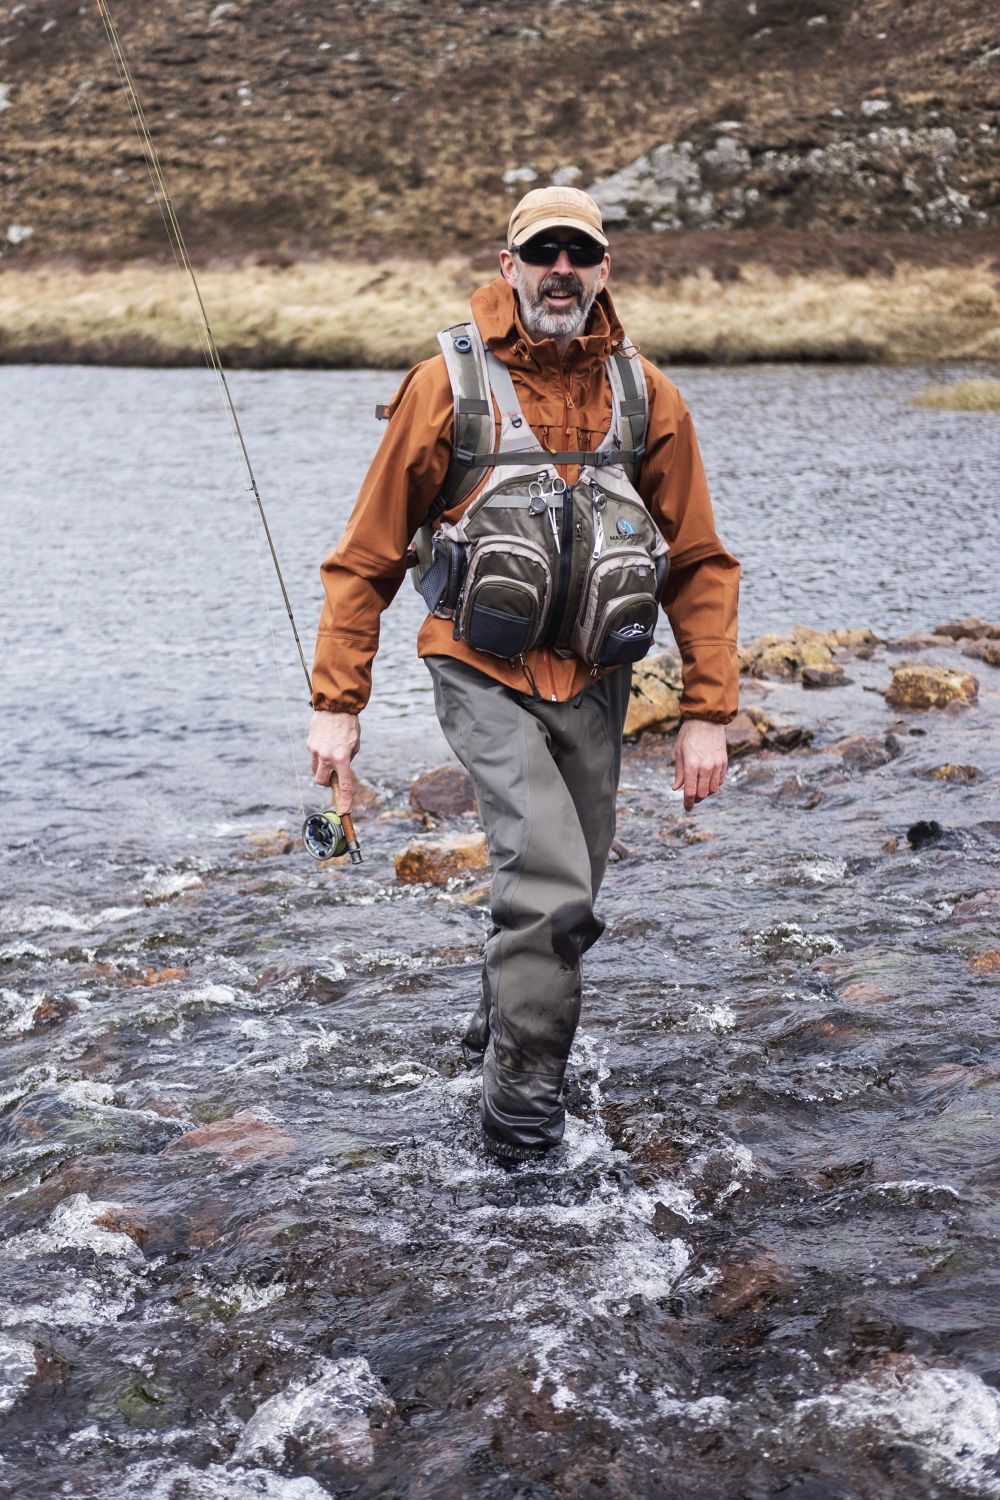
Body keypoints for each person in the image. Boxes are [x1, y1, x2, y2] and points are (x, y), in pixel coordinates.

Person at [306, 186, 740, 1163]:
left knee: (565, 899)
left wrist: (707, 711)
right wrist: (337, 705)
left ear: (603, 269)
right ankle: (520, 1138)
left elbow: (700, 563)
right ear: (509, 267)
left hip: (595, 681)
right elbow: (365, 558)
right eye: (542, 253)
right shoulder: (444, 387)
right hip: (478, 668)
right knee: (550, 891)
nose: (560, 271)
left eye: (578, 254)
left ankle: (489, 1037)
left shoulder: (647, 395)